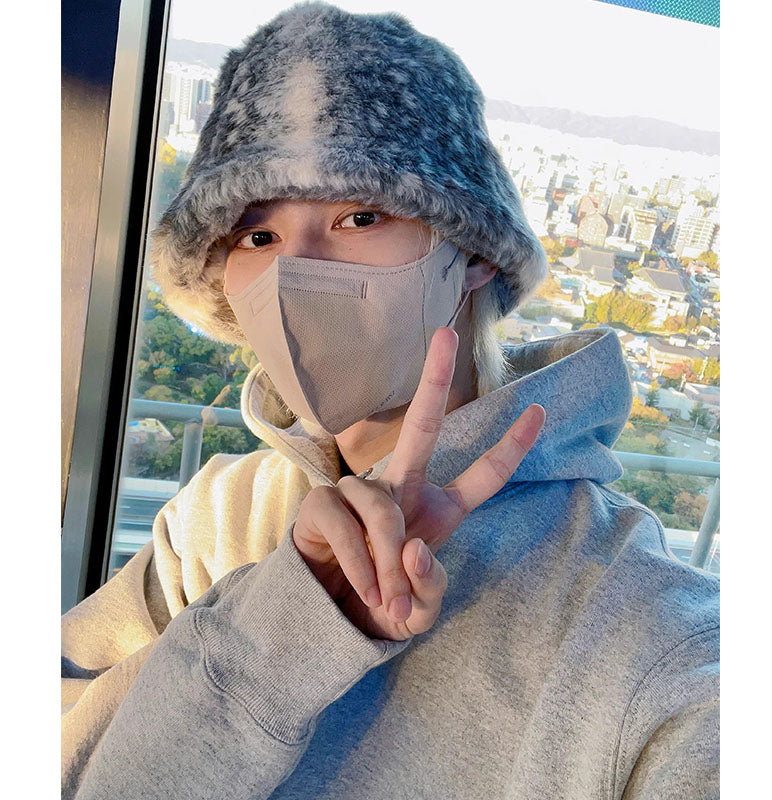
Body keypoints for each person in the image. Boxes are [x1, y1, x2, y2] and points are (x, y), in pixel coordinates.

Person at [61, 2, 720, 798]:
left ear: (472, 252)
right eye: (256, 236)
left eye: (360, 215)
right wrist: (276, 630)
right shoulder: (214, 518)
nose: (295, 271)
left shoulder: (645, 637)